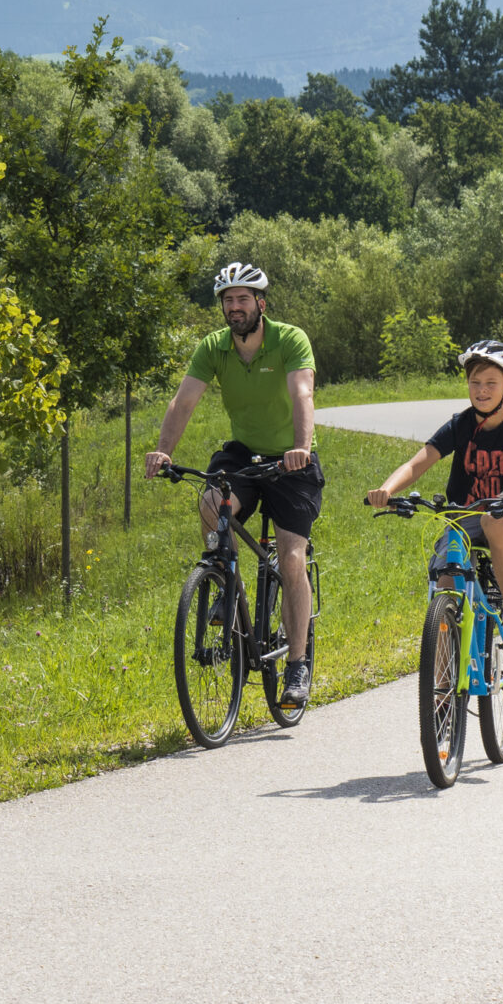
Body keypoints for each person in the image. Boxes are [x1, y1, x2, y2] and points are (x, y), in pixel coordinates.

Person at [145, 261, 322, 706]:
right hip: (244, 452)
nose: (235, 307)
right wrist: (164, 450)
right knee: (210, 502)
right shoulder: (214, 347)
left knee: (291, 559)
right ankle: (225, 581)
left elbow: (303, 393)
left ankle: (297, 666)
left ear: (260, 304)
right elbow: (183, 400)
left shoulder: (289, 339)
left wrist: (300, 447)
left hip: (290, 460)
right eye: (228, 300)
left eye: (243, 298)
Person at [364, 340, 503, 648]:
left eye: (491, 383)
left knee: (493, 520)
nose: (482, 390)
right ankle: (442, 689)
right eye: (475, 382)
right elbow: (418, 462)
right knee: (445, 589)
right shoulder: (460, 425)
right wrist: (386, 490)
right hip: (464, 519)